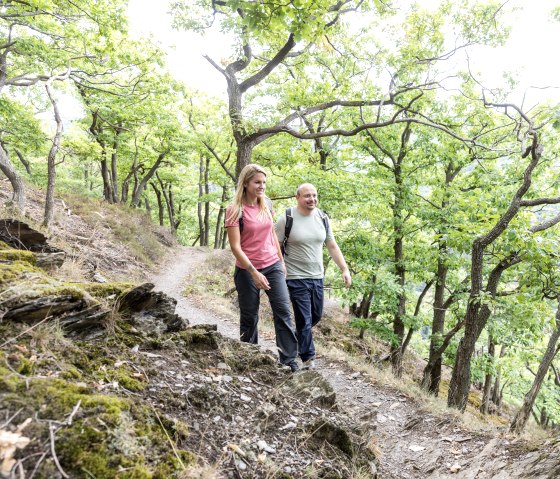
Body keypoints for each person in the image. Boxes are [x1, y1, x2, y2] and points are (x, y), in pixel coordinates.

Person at [225, 164, 300, 372]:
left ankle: (289, 360)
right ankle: (249, 356)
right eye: (257, 182)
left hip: (272, 265)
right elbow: (235, 247)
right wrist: (253, 272)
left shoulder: (266, 203)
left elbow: (272, 237)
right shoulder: (234, 210)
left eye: (264, 182)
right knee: (250, 315)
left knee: (283, 311)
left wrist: (281, 261)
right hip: (247, 269)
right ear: (246, 183)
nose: (262, 186)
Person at [275, 183, 351, 369]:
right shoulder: (287, 217)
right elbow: (275, 244)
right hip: (294, 276)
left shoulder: (322, 218)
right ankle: (309, 358)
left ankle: (292, 339)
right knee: (305, 319)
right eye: (307, 196)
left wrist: (344, 269)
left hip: (317, 277)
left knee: (315, 316)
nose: (312, 199)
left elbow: (332, 245)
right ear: (297, 197)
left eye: (314, 195)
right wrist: (280, 265)